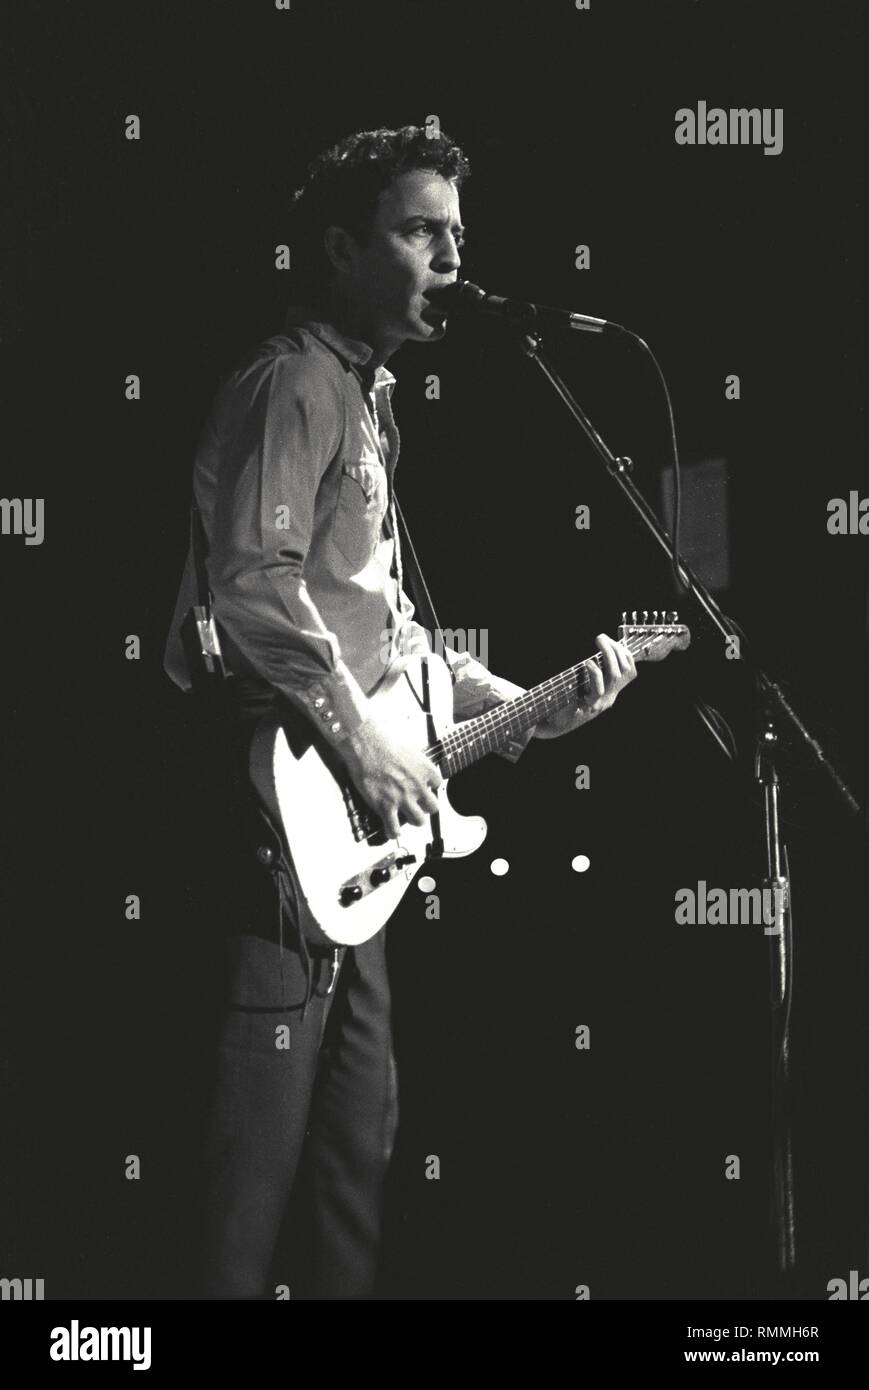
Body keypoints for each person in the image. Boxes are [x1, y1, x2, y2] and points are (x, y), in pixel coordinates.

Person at [162, 124, 637, 1300]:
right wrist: (363, 740)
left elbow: (396, 647)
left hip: (350, 849)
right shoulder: (290, 383)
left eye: (458, 236)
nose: (451, 260)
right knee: (243, 1189)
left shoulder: (369, 407)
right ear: (338, 247)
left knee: (348, 1180)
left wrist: (529, 708)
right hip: (278, 817)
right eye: (421, 232)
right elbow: (254, 583)